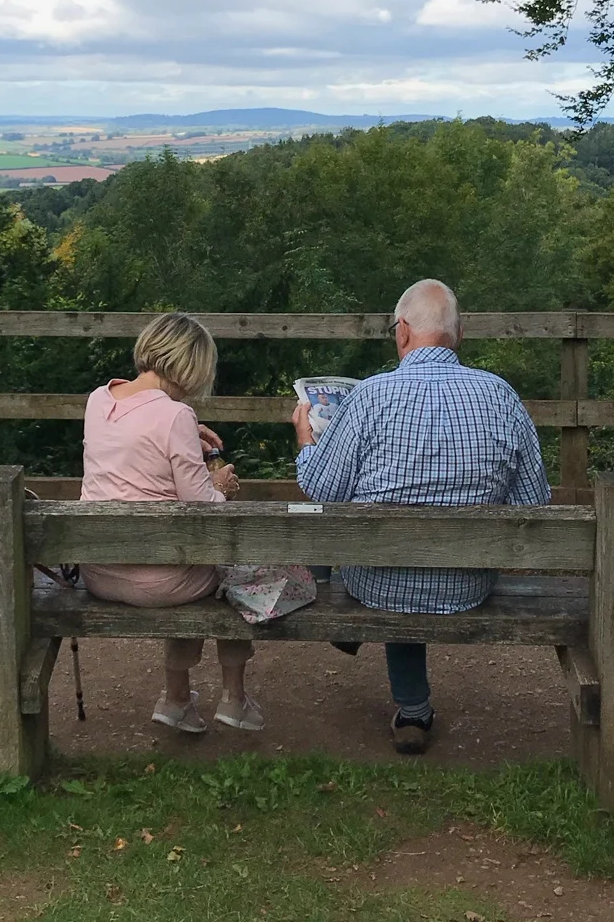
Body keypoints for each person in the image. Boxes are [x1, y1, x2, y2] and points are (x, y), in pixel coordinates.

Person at [292, 278, 550, 756]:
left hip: (377, 580)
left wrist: (307, 439)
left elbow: (321, 488)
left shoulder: (369, 397)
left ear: (403, 331)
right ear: (459, 333)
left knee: (369, 551)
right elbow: (532, 505)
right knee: (403, 556)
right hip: (469, 580)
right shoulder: (501, 396)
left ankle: (381, 669)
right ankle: (412, 713)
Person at [79, 311, 261, 734]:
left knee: (186, 561)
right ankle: (233, 699)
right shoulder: (175, 417)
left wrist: (184, 436)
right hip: (160, 581)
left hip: (98, 572)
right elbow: (204, 509)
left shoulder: (98, 399)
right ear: (193, 366)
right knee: (232, 571)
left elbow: (136, 446)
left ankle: (177, 698)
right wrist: (222, 485)